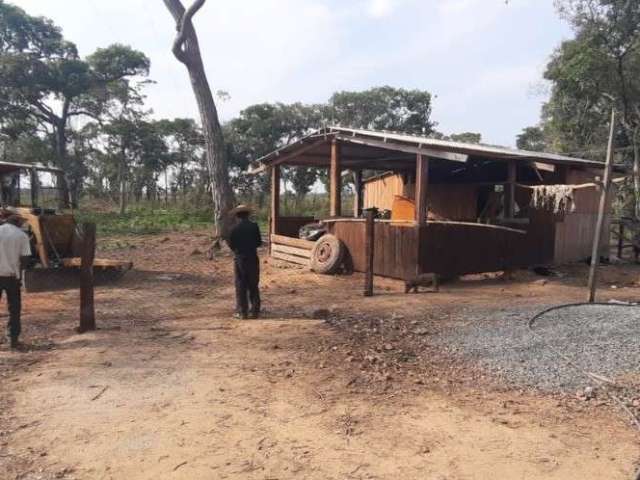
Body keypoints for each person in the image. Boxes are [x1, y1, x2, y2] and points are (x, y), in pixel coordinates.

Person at [0, 215, 32, 349]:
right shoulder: (21, 235)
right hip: (12, 277)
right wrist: (20, 274)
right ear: (17, 222)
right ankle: (13, 340)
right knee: (14, 309)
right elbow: (25, 259)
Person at [228, 205, 262, 319]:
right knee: (253, 284)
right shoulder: (254, 226)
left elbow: (231, 245)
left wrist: (238, 250)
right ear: (248, 214)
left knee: (240, 284)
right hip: (252, 257)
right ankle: (255, 311)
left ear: (237, 216)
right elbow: (259, 242)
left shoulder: (233, 228)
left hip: (240, 259)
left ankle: (242, 312)